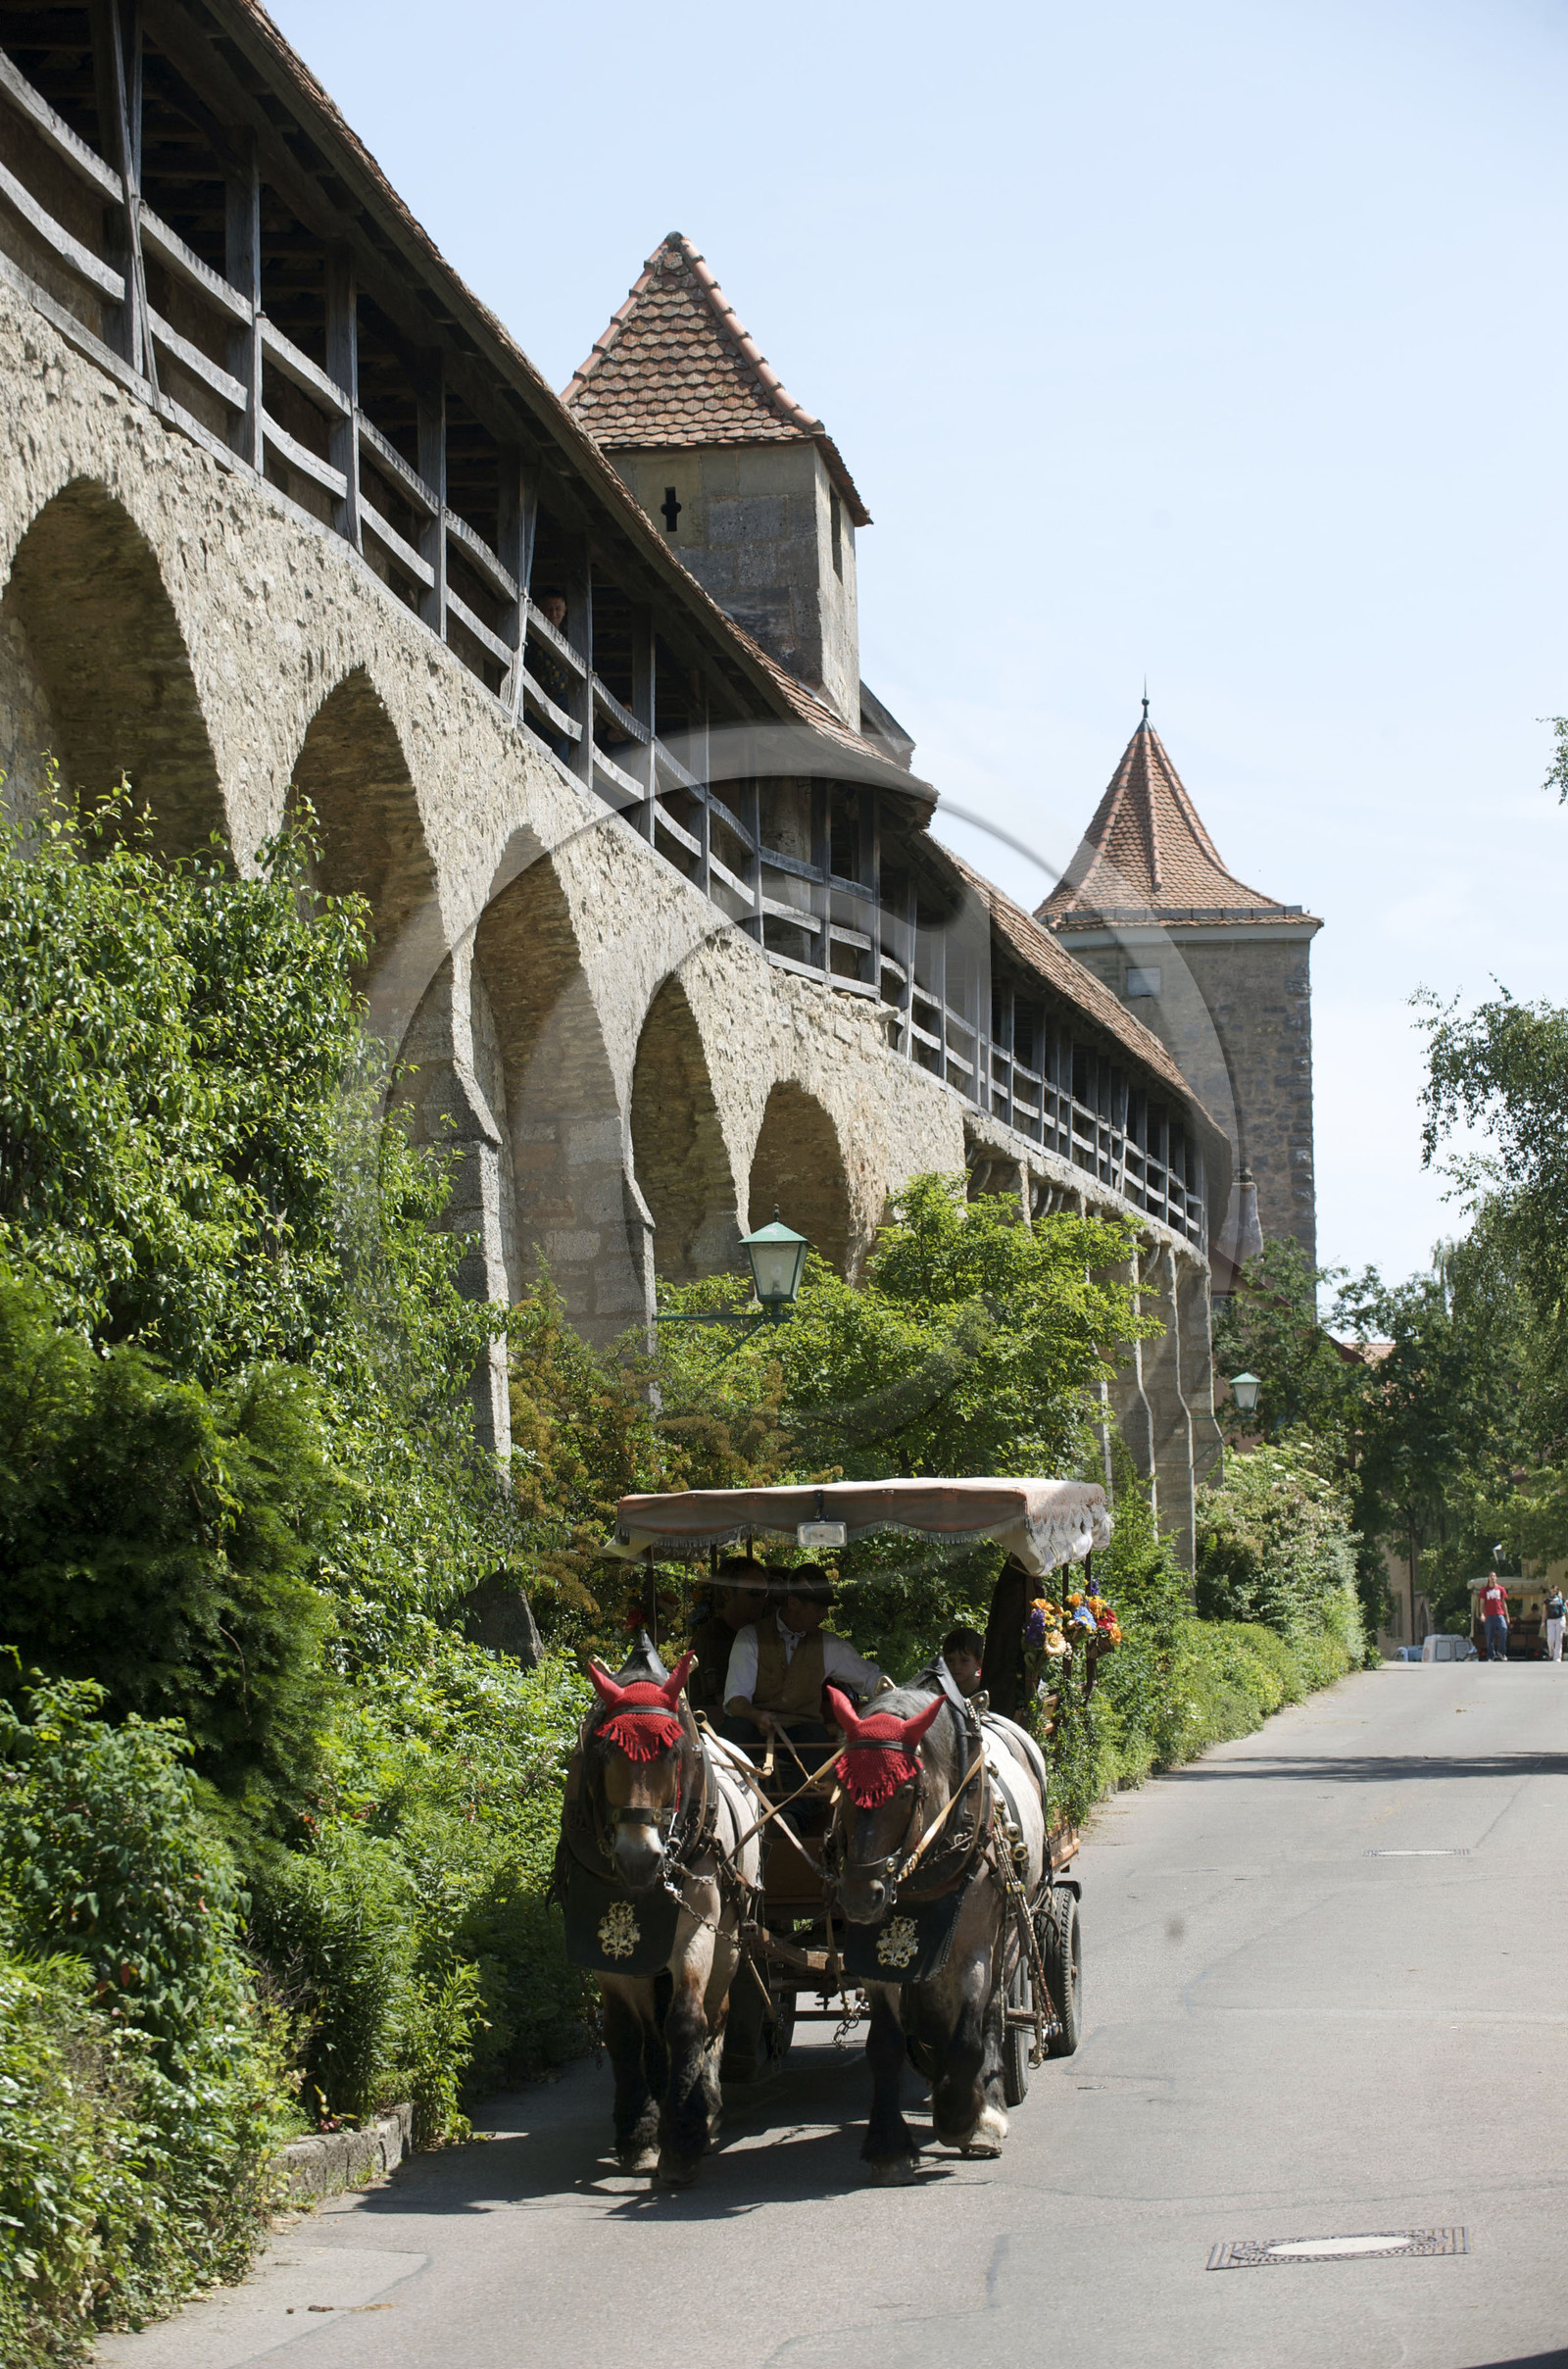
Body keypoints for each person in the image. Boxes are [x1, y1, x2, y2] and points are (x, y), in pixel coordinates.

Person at [722, 1567, 882, 1754]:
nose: (825, 1615)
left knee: (816, 1737)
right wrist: (756, 1716)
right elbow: (736, 1699)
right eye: (818, 1609)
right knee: (736, 1730)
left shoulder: (828, 1645)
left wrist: (890, 1692)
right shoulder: (750, 1637)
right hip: (757, 1730)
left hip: (805, 1733)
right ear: (793, 1603)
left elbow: (869, 1678)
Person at [686, 1556, 772, 1717]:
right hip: (718, 1727)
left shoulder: (758, 1634)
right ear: (727, 1593)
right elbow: (726, 1704)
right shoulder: (711, 1639)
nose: (761, 1600)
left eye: (764, 1593)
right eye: (753, 1593)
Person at [940, 1626, 985, 1700]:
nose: (956, 1666)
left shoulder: (986, 1696)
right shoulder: (941, 1696)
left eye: (964, 1660)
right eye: (950, 1660)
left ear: (979, 1663)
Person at [1480, 1570, 1510, 1662]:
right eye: (1491, 1576)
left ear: (1496, 1578)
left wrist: (1507, 1616)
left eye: (1494, 1576)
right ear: (1488, 1578)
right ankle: (1490, 1656)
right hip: (1489, 1616)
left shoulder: (1501, 1589)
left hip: (1499, 1614)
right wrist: (1482, 1614)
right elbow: (1482, 1603)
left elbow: (1504, 1603)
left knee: (1503, 1630)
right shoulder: (1484, 1590)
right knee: (1489, 1636)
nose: (1493, 1578)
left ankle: (1501, 1652)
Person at [1544, 1583, 1566, 1664]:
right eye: (1552, 1590)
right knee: (1551, 1638)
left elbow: (1566, 1610)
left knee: (1559, 1638)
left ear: (1557, 1590)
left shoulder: (1561, 1599)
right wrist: (1543, 1622)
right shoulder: (1547, 1600)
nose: (1553, 1591)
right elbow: (1545, 1611)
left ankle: (1557, 1657)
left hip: (1560, 1619)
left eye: (1555, 1590)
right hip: (1550, 1620)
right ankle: (1551, 1652)